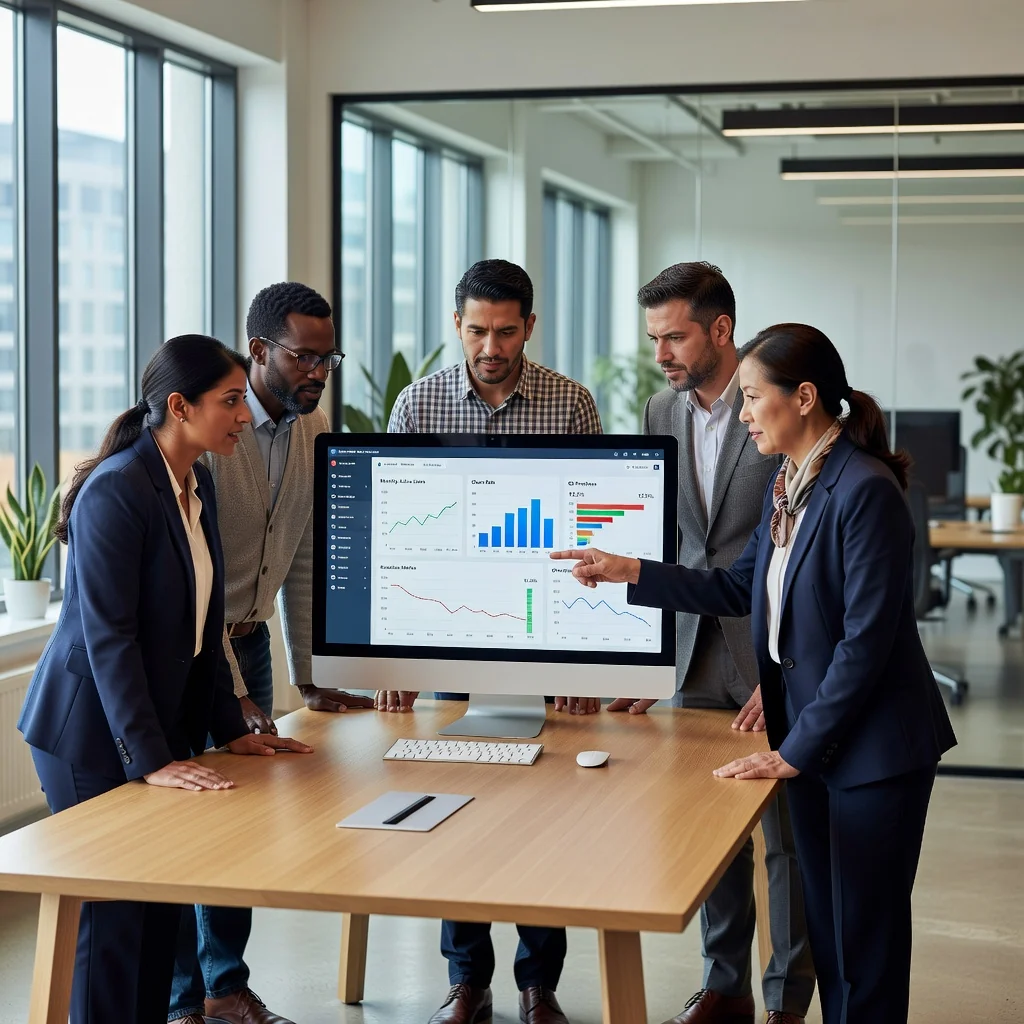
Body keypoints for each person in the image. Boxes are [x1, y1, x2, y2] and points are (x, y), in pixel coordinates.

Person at [552, 323, 957, 1024]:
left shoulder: (865, 490)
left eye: (750, 397)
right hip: (819, 744)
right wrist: (630, 572)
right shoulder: (788, 482)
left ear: (803, 398)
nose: (741, 415)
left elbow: (865, 645)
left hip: (874, 752)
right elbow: (738, 588)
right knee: (831, 935)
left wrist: (792, 750)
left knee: (866, 943)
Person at [17, 336, 313, 1024]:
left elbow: (203, 630)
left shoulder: (195, 482)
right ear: (180, 407)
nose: (244, 415)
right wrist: (152, 760)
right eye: (230, 401)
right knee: (115, 922)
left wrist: (230, 729)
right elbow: (109, 639)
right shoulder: (116, 490)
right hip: (90, 735)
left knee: (159, 911)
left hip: (151, 724)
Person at [383, 259, 602, 1024]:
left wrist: (585, 658)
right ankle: (467, 981)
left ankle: (539, 984)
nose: (490, 347)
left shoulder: (571, 404)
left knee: (547, 814)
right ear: (457, 324)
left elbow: (589, 536)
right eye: (477, 330)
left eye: (506, 332)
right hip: (449, 630)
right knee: (458, 806)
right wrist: (399, 655)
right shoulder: (418, 404)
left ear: (529, 327)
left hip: (544, 632)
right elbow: (396, 534)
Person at [608, 264, 814, 1024]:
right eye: (653, 338)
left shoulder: (774, 402)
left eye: (674, 337)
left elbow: (800, 553)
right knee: (710, 833)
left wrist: (785, 670)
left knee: (787, 840)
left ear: (720, 330)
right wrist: (645, 654)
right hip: (692, 645)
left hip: (769, 647)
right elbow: (664, 533)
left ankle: (785, 999)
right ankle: (724, 986)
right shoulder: (660, 408)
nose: (660, 353)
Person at [169, 283, 373, 1024]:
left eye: (328, 357)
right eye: (304, 356)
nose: (318, 371)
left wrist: (311, 675)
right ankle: (182, 1002)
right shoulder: (215, 435)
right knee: (187, 821)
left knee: (240, 824)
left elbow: (307, 554)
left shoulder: (313, 428)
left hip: (250, 646)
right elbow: (201, 583)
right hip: (193, 650)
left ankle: (225, 988)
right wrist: (232, 693)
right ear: (259, 350)